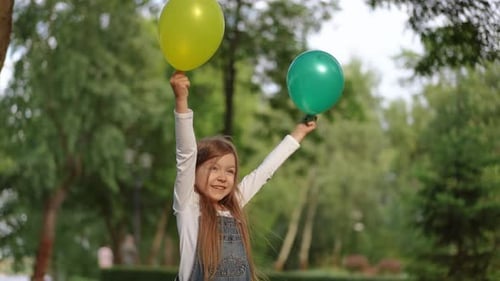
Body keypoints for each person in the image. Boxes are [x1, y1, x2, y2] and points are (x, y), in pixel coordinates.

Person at [170, 71, 317, 281]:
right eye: (213, 168)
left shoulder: (234, 205)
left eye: (230, 171)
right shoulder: (189, 205)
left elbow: (264, 172)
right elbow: (185, 153)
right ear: (194, 171)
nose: (222, 177)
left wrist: (298, 135)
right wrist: (181, 101)